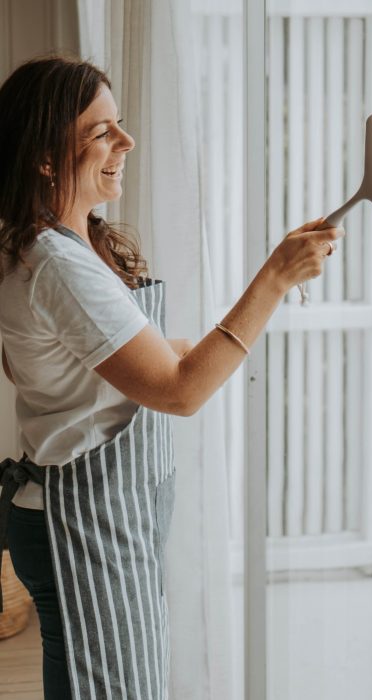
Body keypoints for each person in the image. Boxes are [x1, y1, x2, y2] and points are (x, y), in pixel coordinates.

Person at [0, 55, 344, 700]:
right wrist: (274, 278)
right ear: (46, 159)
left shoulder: (69, 245)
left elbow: (149, 354)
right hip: (84, 523)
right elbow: (178, 390)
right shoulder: (57, 266)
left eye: (121, 124)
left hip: (100, 513)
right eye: (101, 132)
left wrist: (232, 345)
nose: (125, 142)